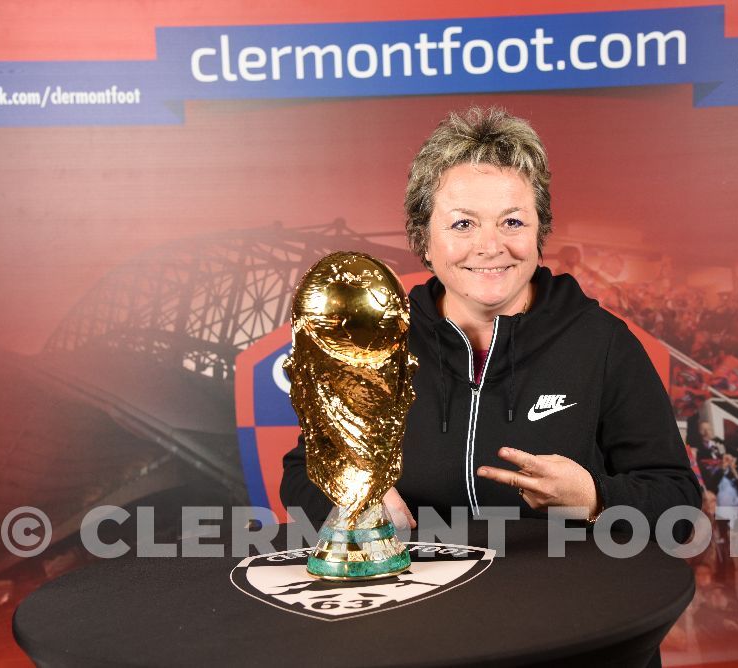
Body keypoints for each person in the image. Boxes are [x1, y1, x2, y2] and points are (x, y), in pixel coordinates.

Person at [280, 106, 701, 533]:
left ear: (540, 234)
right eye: (463, 224)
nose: (490, 246)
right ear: (423, 240)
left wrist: (595, 499)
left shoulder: (603, 343)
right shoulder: (379, 340)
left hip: (562, 597)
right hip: (416, 594)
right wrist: (353, 494)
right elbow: (306, 469)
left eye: (512, 222)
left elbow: (678, 506)